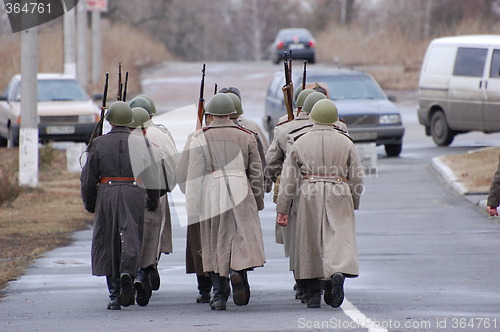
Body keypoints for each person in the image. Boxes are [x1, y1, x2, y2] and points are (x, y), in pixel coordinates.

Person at [276, 99, 364, 309]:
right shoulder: (346, 142)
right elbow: (357, 176)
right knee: (338, 237)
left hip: (309, 191)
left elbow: (288, 179)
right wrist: (354, 199)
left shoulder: (300, 141)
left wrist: (283, 208)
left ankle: (313, 294)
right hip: (339, 189)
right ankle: (336, 272)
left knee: (310, 241)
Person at [185, 93, 266, 310]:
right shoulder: (247, 136)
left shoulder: (200, 137)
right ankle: (237, 272)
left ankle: (219, 295)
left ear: (210, 114)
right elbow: (257, 173)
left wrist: (192, 206)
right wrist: (258, 200)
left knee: (214, 241)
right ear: (232, 113)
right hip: (241, 187)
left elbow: (194, 176)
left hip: (212, 189)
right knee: (241, 237)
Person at [80, 101, 160, 310]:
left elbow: (89, 178)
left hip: (107, 193)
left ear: (111, 121)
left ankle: (114, 294)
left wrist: (90, 203)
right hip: (134, 192)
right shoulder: (142, 143)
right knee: (131, 237)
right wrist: (152, 200)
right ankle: (128, 273)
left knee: (108, 241)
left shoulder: (98, 144)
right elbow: (152, 176)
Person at [265, 88, 317, 299]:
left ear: (298, 107)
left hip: (294, 189)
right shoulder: (339, 126)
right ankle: (324, 280)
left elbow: (270, 163)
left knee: (298, 239)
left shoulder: (284, 128)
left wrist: (277, 177)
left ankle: (303, 283)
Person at [128, 96, 179, 300]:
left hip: (126, 192)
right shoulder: (162, 134)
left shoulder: (123, 134)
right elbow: (174, 164)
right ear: (151, 114)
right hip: (156, 190)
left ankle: (133, 274)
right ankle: (149, 267)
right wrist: (167, 188)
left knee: (130, 234)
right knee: (153, 234)